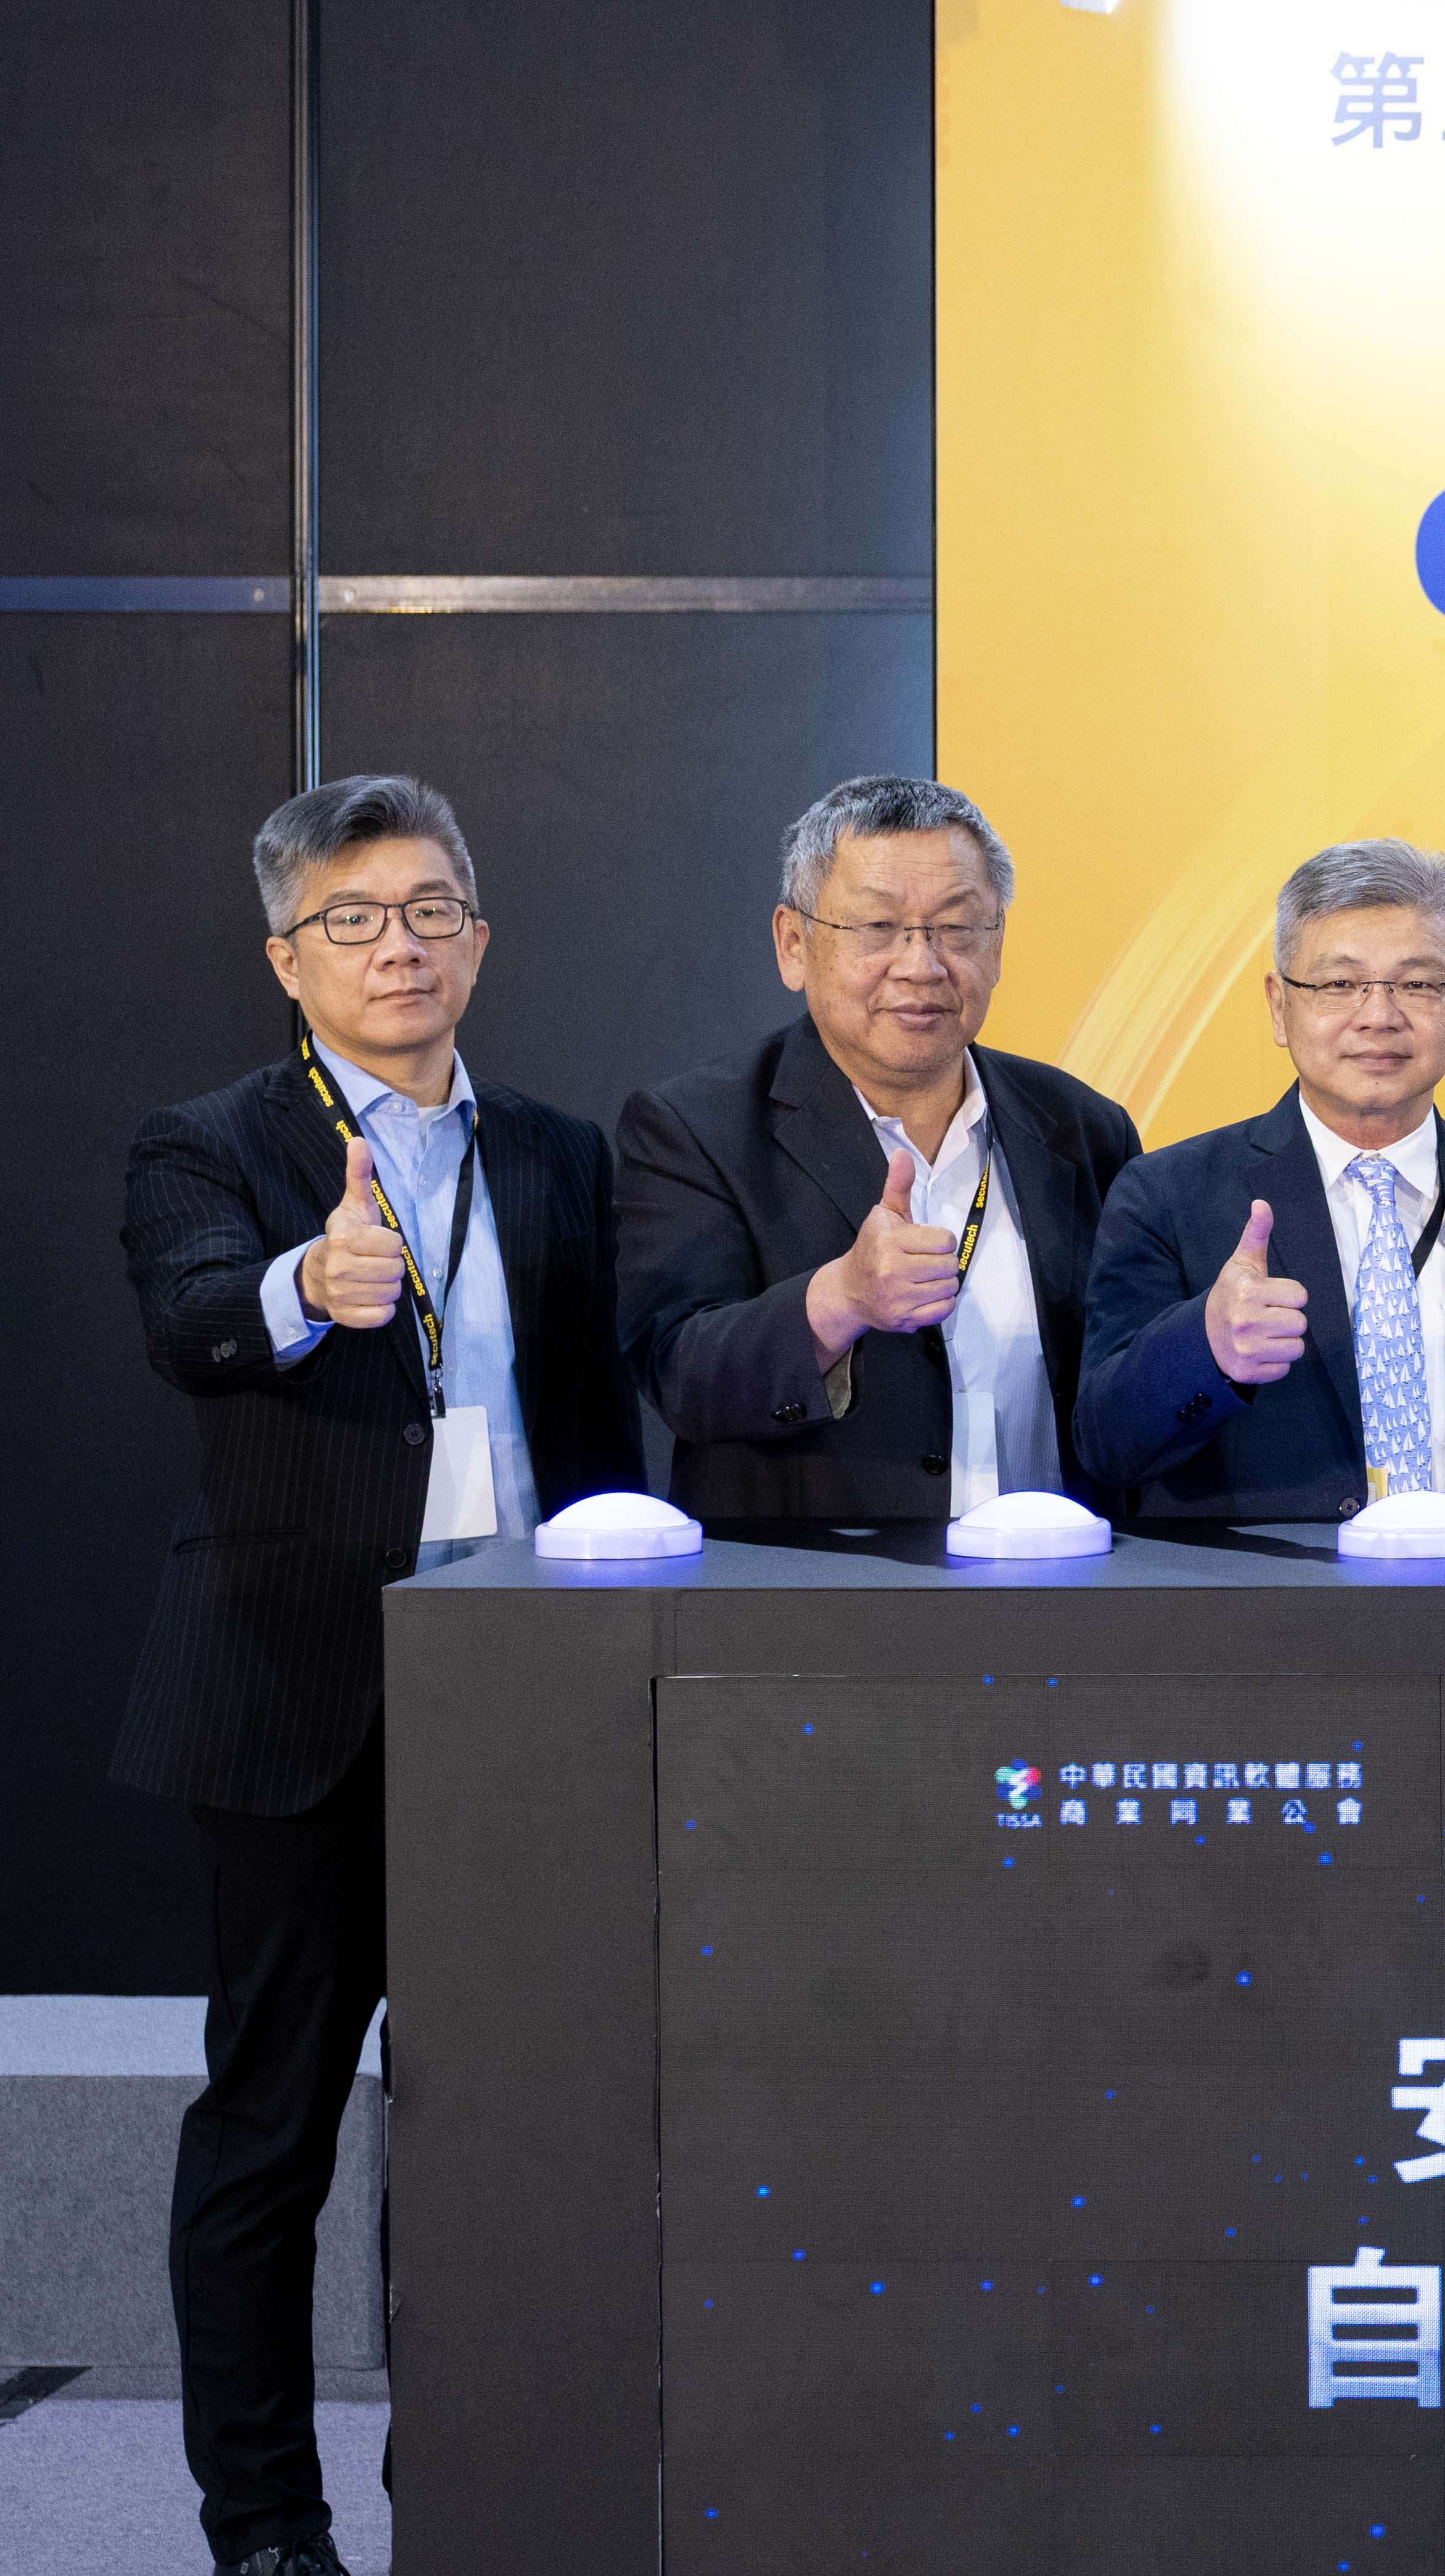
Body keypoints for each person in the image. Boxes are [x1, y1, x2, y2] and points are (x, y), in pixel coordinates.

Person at [118, 777, 641, 2576]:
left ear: (479, 938)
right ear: (288, 957)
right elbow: (189, 1315)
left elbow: (598, 1416)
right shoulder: (208, 1144)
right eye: (352, 918)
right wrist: (305, 1281)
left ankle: (468, 2499)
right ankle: (267, 2526)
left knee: (499, 2125)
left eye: (430, 911)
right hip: (298, 1700)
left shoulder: (559, 1151)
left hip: (525, 1705)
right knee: (271, 2130)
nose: (398, 946)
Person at [615, 777, 1136, 1518]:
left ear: (997, 945)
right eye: (878, 927)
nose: (921, 964)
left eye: (957, 927)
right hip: (830, 1583)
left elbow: (1120, 1381)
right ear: (794, 945)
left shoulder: (1084, 1129)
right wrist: (841, 1299)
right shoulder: (696, 1127)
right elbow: (680, 1374)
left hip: (1057, 1572)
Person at [1076, 842, 1445, 1519]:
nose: (1378, 1015)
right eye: (1340, 984)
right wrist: (1206, 1347)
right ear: (1278, 1005)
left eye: (1417, 984)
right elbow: (1104, 1446)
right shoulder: (1167, 1194)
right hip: (1267, 1585)